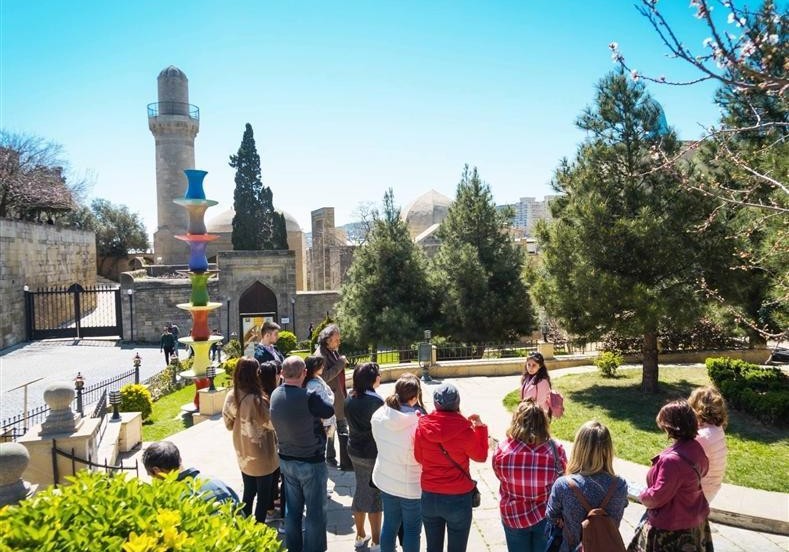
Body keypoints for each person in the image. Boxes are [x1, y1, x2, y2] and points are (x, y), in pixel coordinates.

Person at [270, 355, 335, 552]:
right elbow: (328, 410)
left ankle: (294, 548)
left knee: (292, 511)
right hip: (311, 462)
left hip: (287, 460)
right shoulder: (309, 396)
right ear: (304, 373)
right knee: (315, 512)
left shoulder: (275, 395)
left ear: (281, 374)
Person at [628, 400, 712, 552]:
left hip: (671, 529)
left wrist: (641, 494)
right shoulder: (696, 447)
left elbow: (657, 497)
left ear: (670, 427)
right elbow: (704, 470)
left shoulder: (672, 461)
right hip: (694, 522)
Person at [414, 382, 488, 552]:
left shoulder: (422, 428)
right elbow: (481, 456)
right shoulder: (465, 430)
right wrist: (480, 428)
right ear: (457, 403)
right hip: (458, 497)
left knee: (433, 547)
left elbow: (419, 457)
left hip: (430, 495)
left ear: (435, 403)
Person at [492, 400, 567, 552]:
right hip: (545, 516)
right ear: (543, 422)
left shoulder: (502, 450)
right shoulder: (555, 449)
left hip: (513, 516)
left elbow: (498, 474)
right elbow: (562, 479)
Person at [546, 421, 628, 552]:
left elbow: (551, 516)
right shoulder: (620, 485)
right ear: (608, 450)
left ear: (578, 448)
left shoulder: (563, 485)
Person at [371, 373, 425, 552]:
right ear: (415, 397)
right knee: (411, 530)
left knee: (390, 525)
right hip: (411, 484)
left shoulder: (379, 415)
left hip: (387, 478)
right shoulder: (418, 422)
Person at [222, 357, 278, 523]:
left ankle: (244, 525)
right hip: (263, 454)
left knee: (249, 491)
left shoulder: (232, 396)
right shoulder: (258, 399)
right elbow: (272, 424)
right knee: (264, 495)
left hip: (243, 451)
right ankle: (259, 527)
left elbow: (228, 424)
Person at [345, 363, 385, 551]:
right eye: (378, 374)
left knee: (360, 489)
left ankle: (360, 535)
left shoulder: (349, 398)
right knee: (374, 496)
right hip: (371, 453)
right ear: (371, 379)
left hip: (354, 450)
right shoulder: (376, 402)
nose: (380, 376)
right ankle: (376, 541)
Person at [142, 441, 239, 505]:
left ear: (156, 470)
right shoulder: (215, 482)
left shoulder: (173, 500)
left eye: (151, 475)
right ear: (180, 459)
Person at [314, 324, 351, 469]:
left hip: (339, 395)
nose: (339, 342)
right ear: (328, 339)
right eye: (336, 340)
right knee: (333, 428)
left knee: (340, 427)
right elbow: (324, 377)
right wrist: (340, 364)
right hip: (331, 399)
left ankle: (343, 459)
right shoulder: (320, 355)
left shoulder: (332, 350)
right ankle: (331, 458)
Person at [688, 386, 728, 503]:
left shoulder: (702, 437)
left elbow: (683, 464)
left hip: (700, 490)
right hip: (711, 487)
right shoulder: (716, 428)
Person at [303, 355, 337, 444]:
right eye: (321, 365)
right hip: (323, 423)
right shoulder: (313, 385)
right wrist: (331, 395)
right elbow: (327, 401)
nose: (323, 367)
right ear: (314, 367)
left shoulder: (317, 378)